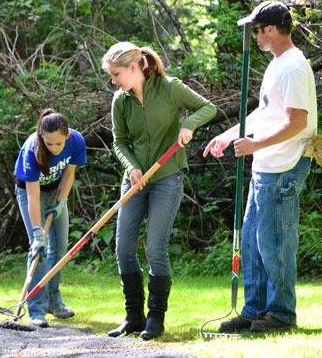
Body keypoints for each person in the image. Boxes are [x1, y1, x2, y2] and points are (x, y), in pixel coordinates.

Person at [203, 0, 317, 333]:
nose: (253, 36)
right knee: (253, 242)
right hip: (265, 168)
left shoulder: (294, 67)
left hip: (284, 167)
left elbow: (298, 123)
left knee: (276, 243)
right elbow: (265, 114)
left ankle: (281, 315)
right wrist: (228, 135)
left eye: (255, 30)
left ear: (270, 29)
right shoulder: (276, 65)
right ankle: (254, 310)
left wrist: (255, 146)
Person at [102, 42, 216, 340]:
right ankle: (134, 317)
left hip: (167, 177)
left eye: (116, 74)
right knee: (123, 248)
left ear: (133, 68)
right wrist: (131, 167)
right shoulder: (120, 100)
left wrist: (188, 125)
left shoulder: (169, 88)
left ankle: (156, 318)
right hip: (135, 180)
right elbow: (120, 142)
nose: (113, 81)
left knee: (155, 248)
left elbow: (208, 108)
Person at [13, 109, 87, 327]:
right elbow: (32, 196)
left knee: (61, 247)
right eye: (49, 144)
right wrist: (37, 233)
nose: (53, 148)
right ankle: (36, 310)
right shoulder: (31, 150)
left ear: (67, 137)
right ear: (41, 137)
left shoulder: (76, 141)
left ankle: (54, 302)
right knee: (40, 249)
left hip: (55, 191)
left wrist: (62, 200)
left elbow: (69, 173)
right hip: (30, 193)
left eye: (58, 144)